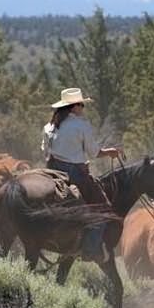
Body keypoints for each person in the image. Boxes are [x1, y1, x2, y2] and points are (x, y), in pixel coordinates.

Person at [41, 88, 120, 262]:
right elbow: (93, 152)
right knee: (102, 210)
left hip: (51, 170)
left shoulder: (49, 126)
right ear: (74, 106)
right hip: (74, 173)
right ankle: (90, 250)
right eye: (82, 104)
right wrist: (110, 152)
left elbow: (44, 151)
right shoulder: (81, 125)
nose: (83, 108)